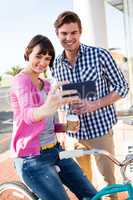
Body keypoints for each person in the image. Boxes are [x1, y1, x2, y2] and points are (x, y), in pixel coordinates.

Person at [51, 11, 129, 199]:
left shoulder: (100, 55)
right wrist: (62, 132)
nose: (69, 38)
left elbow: (123, 87)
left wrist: (96, 104)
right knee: (82, 185)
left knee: (109, 183)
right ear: (57, 34)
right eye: (64, 33)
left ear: (80, 32)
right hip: (73, 135)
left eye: (73, 32)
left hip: (100, 132)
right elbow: (60, 101)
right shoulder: (55, 64)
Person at [10, 34, 97, 200]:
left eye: (48, 58)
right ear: (28, 53)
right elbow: (28, 115)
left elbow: (48, 122)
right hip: (32, 158)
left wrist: (65, 127)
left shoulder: (48, 84)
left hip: (56, 150)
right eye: (39, 56)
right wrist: (46, 108)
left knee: (91, 195)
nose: (43, 63)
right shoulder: (20, 81)